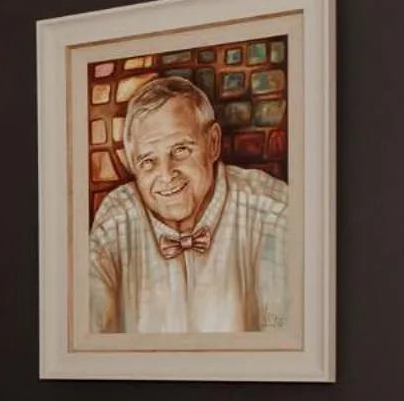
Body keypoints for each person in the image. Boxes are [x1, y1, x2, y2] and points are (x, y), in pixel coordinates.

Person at [89, 74, 291, 335]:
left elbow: (286, 342)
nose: (166, 175)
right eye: (148, 161)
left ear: (213, 143)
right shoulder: (115, 222)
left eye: (180, 150)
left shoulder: (275, 211)